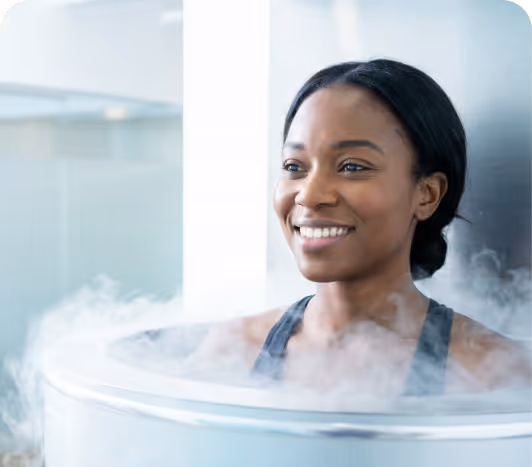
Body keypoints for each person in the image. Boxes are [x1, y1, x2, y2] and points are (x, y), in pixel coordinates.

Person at [192, 59, 532, 396]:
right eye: (294, 166)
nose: (309, 196)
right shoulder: (231, 351)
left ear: (427, 194)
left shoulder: (491, 372)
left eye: (352, 166)